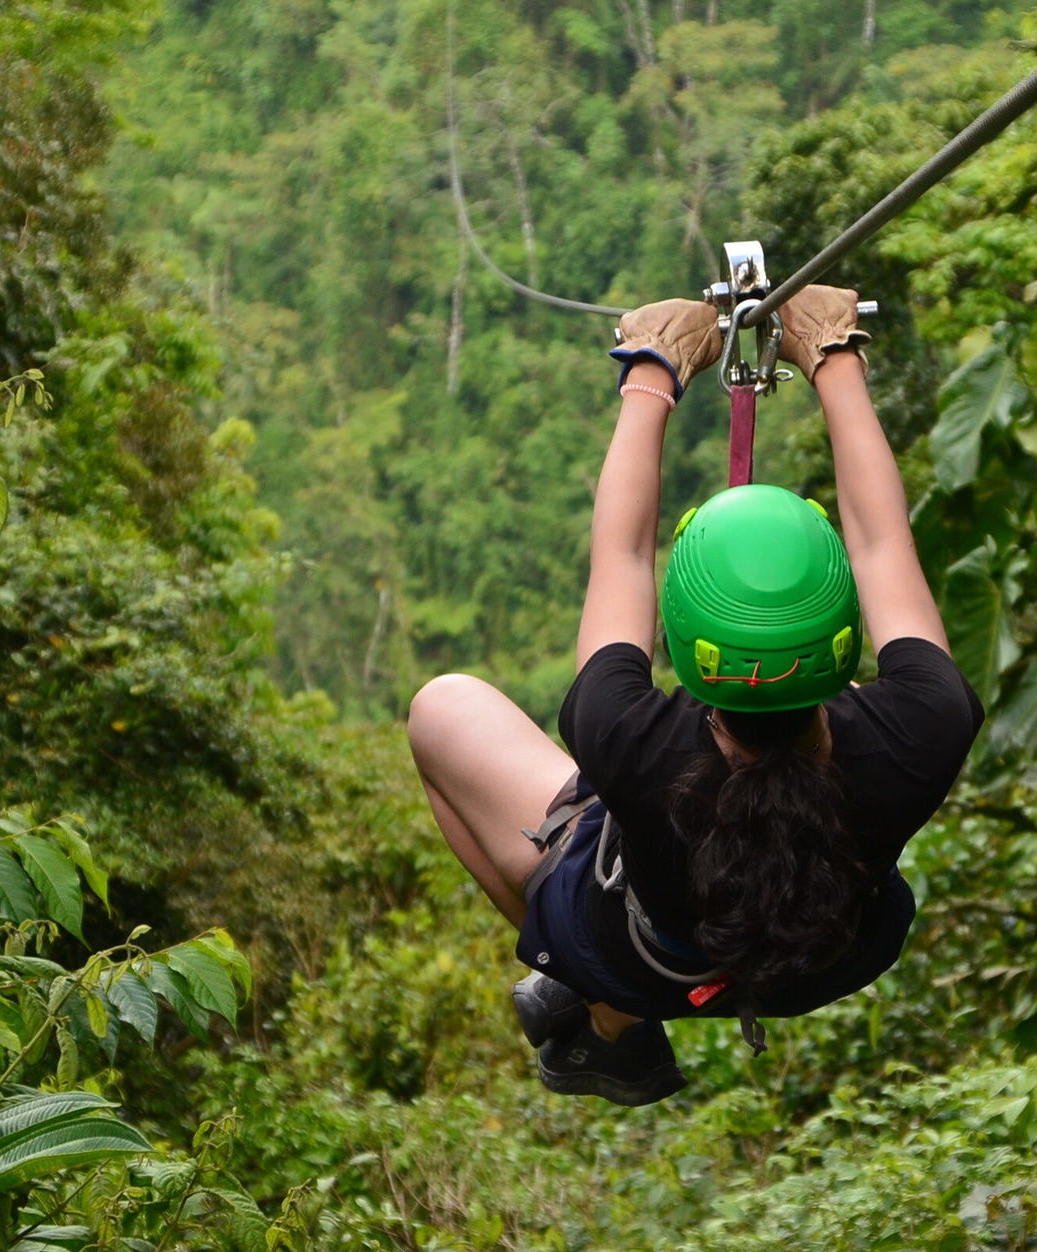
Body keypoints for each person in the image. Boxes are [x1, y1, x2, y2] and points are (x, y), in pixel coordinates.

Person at [407, 286, 983, 1106]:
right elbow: (883, 541)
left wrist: (653, 371)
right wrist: (833, 356)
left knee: (440, 707)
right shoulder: (923, 726)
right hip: (824, 958)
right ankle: (613, 1009)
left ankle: (609, 1011)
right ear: (844, 635)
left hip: (641, 954)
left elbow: (624, 557)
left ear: (677, 644)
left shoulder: (629, 739)